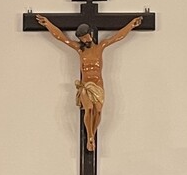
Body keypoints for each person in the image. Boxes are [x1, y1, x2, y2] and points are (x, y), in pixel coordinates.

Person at [34, 14, 143, 151]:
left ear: (90, 34)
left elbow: (117, 37)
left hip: (98, 84)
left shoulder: (101, 46)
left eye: (86, 37)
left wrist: (131, 25)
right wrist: (48, 24)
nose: (84, 40)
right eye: (82, 38)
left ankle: (92, 133)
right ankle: (90, 136)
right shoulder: (80, 50)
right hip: (85, 84)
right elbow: (61, 38)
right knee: (89, 109)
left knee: (98, 111)